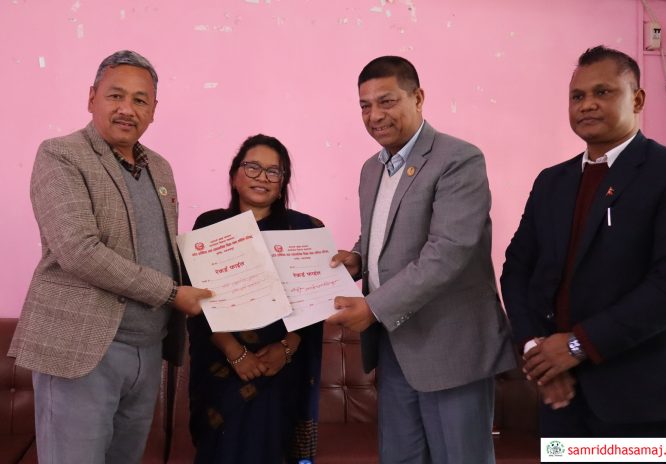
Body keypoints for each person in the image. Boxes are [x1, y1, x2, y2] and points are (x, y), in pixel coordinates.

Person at [7, 50, 212, 463]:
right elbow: (79, 251)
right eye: (115, 95)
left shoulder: (160, 168)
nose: (127, 109)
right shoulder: (62, 155)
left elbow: (164, 248)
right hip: (82, 351)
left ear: (153, 110)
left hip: (148, 351)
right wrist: (172, 293)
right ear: (92, 97)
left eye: (140, 100)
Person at [327, 56, 516, 463]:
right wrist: (358, 257)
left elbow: (448, 251)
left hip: (451, 348)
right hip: (395, 345)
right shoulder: (371, 169)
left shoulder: (458, 159)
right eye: (365, 106)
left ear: (418, 98)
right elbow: (383, 232)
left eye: (387, 101)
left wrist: (373, 307)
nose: (375, 116)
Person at [501, 45, 666, 437]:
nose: (587, 104)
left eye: (602, 92)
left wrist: (576, 346)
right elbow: (516, 271)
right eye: (577, 96)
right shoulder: (551, 182)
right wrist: (537, 353)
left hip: (648, 402)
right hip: (562, 398)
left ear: (637, 99)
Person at [187, 134, 324, 464]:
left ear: (282, 182)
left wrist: (285, 349)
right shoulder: (209, 225)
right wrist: (236, 353)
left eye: (273, 171)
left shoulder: (304, 230)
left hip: (280, 364)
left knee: (268, 428)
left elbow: (314, 305)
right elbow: (196, 303)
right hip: (222, 363)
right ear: (235, 175)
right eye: (252, 167)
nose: (262, 177)